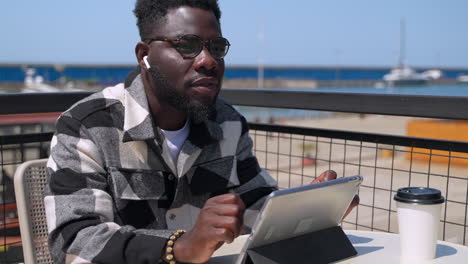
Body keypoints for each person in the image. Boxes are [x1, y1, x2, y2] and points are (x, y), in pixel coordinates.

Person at [44, 1, 358, 263]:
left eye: (216, 47)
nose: (208, 61)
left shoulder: (227, 122)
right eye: (187, 46)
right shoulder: (89, 125)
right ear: (144, 55)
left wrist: (302, 214)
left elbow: (256, 205)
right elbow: (74, 243)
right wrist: (180, 248)